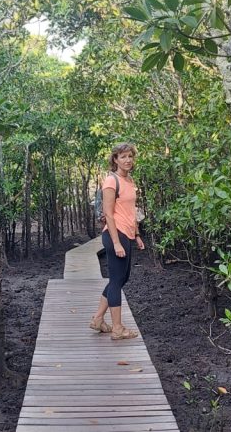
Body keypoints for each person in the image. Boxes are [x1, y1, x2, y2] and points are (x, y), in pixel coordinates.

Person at [89, 143, 144, 340]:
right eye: (123, 157)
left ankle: (97, 319)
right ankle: (118, 328)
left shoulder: (129, 180)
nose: (127, 160)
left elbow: (131, 210)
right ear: (115, 159)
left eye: (130, 156)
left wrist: (136, 234)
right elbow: (109, 214)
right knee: (116, 281)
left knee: (121, 279)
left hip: (126, 234)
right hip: (115, 234)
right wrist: (117, 242)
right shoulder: (111, 181)